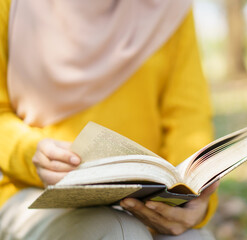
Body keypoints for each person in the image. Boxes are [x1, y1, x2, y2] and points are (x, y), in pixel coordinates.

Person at [0, 0, 219, 239]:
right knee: (117, 232)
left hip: (147, 201)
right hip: (31, 192)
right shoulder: (12, 6)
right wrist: (32, 154)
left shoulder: (169, 9)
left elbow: (187, 118)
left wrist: (191, 197)